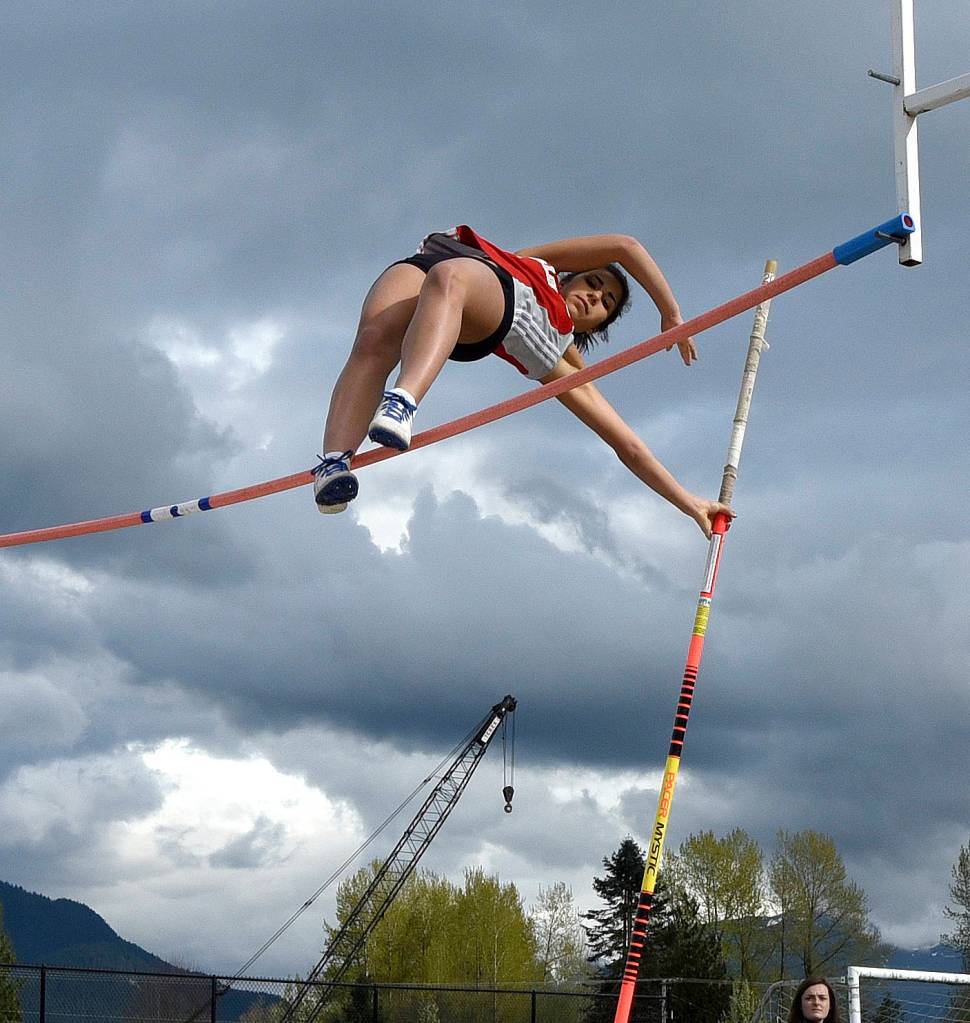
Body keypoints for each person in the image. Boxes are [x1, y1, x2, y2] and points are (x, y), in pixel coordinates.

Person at [313, 225, 733, 538]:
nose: (594, 296)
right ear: (574, 275)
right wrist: (671, 312)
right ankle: (334, 465)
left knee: (452, 279)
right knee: (372, 343)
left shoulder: (558, 354)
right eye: (593, 282)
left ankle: (402, 402)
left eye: (605, 304)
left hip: (479, 296)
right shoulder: (537, 264)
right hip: (446, 257)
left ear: (598, 324)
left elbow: (628, 445)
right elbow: (626, 247)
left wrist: (688, 502)